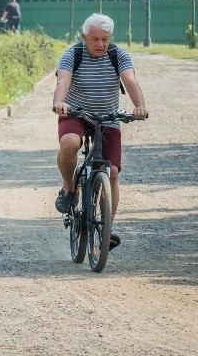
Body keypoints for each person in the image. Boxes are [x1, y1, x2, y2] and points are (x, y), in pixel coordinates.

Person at [51, 13, 148, 251]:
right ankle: (68, 186)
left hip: (108, 117)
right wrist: (59, 102)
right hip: (76, 114)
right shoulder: (72, 54)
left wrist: (139, 106)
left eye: (105, 39)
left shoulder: (118, 55)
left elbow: (130, 81)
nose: (100, 44)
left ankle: (105, 230)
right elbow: (62, 81)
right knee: (71, 143)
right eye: (94, 38)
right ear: (84, 37)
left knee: (112, 172)